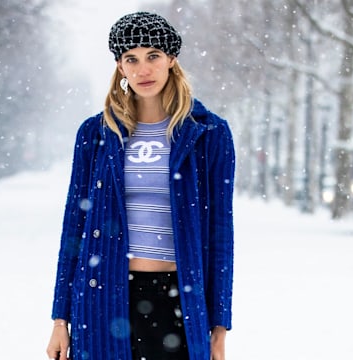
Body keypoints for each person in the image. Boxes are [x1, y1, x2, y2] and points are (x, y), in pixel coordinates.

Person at [46, 12, 235, 360]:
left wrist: (220, 327)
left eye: (153, 57)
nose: (142, 70)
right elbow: (74, 228)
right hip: (103, 296)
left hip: (180, 300)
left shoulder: (208, 134)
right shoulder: (96, 134)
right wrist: (60, 319)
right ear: (120, 65)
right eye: (131, 59)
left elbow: (220, 234)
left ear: (171, 60)